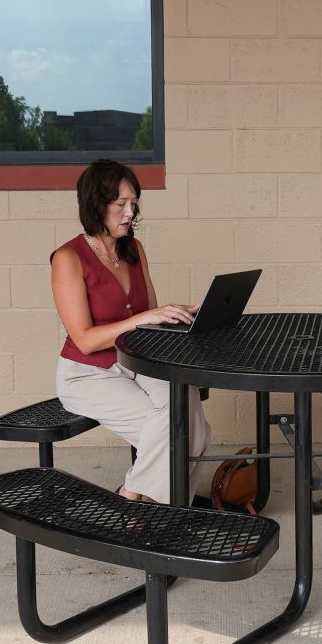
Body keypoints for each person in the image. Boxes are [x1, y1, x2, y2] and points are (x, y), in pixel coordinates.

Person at [51, 158, 210, 502]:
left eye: (134, 203)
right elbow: (85, 339)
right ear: (96, 204)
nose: (129, 212)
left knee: (188, 406)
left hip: (138, 361)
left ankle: (134, 497)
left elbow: (145, 315)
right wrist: (143, 318)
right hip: (88, 373)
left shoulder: (134, 249)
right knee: (178, 433)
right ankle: (149, 511)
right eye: (120, 204)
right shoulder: (69, 257)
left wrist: (174, 313)